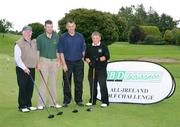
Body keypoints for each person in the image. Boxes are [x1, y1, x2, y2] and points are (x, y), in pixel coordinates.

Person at [58, 20, 85, 107]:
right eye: (69, 26)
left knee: (79, 82)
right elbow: (61, 52)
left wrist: (83, 57)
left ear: (75, 26)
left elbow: (83, 49)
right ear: (66, 27)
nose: (71, 28)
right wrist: (64, 64)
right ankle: (66, 101)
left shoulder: (80, 36)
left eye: (72, 26)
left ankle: (79, 100)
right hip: (67, 62)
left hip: (78, 63)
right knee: (67, 82)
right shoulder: (63, 37)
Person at [36, 20, 61, 109]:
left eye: (51, 27)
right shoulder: (40, 38)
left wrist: (59, 61)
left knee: (53, 83)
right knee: (43, 83)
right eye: (48, 27)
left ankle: (53, 103)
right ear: (45, 27)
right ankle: (41, 104)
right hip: (44, 61)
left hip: (54, 61)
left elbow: (57, 50)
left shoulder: (56, 36)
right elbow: (38, 51)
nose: (50, 28)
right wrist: (38, 63)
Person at [14, 26, 37, 112]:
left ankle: (28, 104)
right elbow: (17, 58)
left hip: (32, 68)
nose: (28, 33)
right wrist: (24, 68)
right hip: (22, 69)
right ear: (23, 32)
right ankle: (22, 106)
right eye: (26, 31)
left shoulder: (32, 42)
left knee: (30, 87)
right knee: (23, 87)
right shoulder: (18, 43)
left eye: (30, 31)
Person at [85, 31, 110, 108]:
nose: (95, 39)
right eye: (94, 38)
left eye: (97, 38)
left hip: (101, 69)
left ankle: (105, 101)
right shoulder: (89, 46)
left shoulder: (103, 46)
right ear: (92, 38)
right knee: (92, 85)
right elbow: (86, 57)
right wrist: (90, 63)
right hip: (92, 69)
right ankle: (92, 101)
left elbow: (107, 56)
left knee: (102, 85)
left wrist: (98, 59)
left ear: (100, 38)